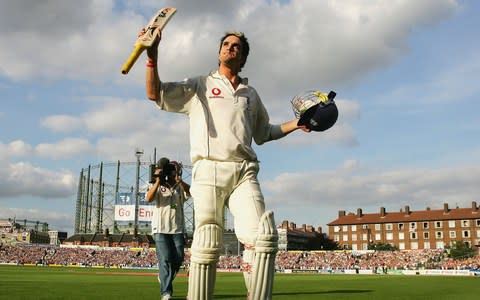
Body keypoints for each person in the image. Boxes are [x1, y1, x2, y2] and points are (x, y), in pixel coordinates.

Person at [143, 29, 310, 300]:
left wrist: (297, 124)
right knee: (207, 240)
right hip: (209, 168)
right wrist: (152, 55)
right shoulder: (200, 85)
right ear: (219, 51)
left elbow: (264, 133)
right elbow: (155, 93)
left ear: (242, 57)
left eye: (236, 46)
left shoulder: (250, 94)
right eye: (226, 44)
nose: (230, 48)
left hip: (244, 171)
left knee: (263, 239)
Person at [145, 157, 191, 300]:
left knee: (179, 257)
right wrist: (158, 180)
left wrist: (180, 181)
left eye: (175, 170)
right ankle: (166, 292)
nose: (173, 172)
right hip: (160, 228)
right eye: (171, 170)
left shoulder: (180, 186)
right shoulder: (157, 184)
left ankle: (163, 277)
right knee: (165, 259)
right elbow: (148, 198)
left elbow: (190, 192)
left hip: (177, 228)